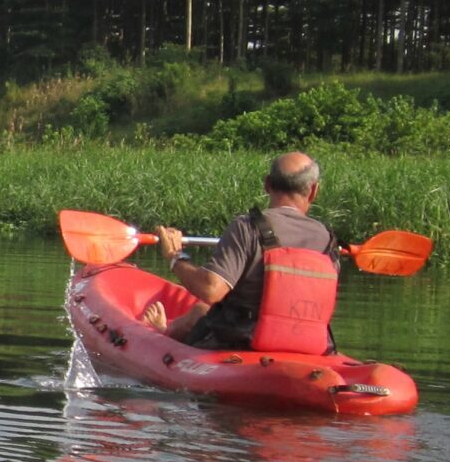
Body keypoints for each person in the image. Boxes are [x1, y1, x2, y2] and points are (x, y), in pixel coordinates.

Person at [142, 150, 340, 353]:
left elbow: (211, 290)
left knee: (203, 309)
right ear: (314, 191)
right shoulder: (328, 240)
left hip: (242, 343)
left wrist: (175, 257)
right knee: (200, 311)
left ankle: (163, 331)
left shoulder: (247, 227)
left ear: (267, 184)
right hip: (310, 347)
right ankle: (166, 329)